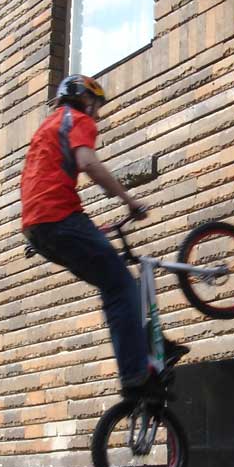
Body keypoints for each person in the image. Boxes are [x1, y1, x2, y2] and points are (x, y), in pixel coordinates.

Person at [20, 74, 187, 398]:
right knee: (120, 286)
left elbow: (38, 180)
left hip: (38, 228)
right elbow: (88, 163)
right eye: (97, 106)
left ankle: (156, 346)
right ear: (86, 99)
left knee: (113, 281)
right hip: (60, 218)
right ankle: (135, 374)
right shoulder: (77, 119)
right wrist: (129, 200)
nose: (97, 115)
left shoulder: (46, 128)